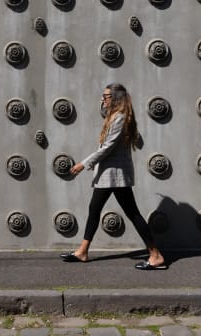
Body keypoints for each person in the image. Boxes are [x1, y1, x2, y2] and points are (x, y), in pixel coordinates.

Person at [60, 83, 167, 270]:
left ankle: (155, 255)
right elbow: (124, 133)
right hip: (111, 174)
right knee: (98, 210)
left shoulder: (120, 118)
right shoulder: (116, 116)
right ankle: (83, 251)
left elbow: (108, 147)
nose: (103, 99)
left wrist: (83, 164)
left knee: (130, 213)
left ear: (116, 98)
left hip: (113, 175)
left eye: (106, 96)